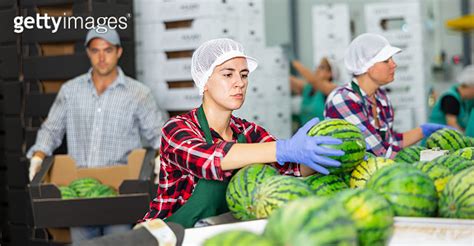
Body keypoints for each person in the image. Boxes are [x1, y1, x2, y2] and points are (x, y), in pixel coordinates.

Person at [142, 38, 345, 228]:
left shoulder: (249, 132)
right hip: (171, 236)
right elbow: (210, 159)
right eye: (228, 74)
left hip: (222, 234)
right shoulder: (177, 128)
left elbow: (291, 168)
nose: (239, 82)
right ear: (204, 81)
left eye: (244, 75)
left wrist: (328, 151)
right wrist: (284, 148)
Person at [26, 27, 168, 242]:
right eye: (95, 50)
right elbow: (52, 129)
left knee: (117, 243)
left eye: (108, 50)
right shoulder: (70, 90)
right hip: (80, 193)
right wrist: (38, 156)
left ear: (118, 52)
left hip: (120, 192)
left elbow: (158, 134)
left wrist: (161, 158)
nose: (102, 57)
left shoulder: (138, 93)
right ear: (88, 52)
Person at [324, 33, 450, 159]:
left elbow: (389, 142)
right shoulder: (342, 99)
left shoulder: (381, 98)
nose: (394, 64)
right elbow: (379, 152)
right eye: (386, 61)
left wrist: (423, 131)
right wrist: (424, 159)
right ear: (368, 66)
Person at [290, 57, 339, 124]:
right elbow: (289, 80)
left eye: (322, 67)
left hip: (324, 134)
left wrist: (294, 62)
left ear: (330, 73)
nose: (317, 69)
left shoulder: (332, 89)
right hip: (305, 133)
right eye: (318, 66)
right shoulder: (308, 88)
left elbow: (313, 80)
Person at [429, 65, 474, 131]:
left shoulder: (465, 101)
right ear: (467, 86)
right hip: (437, 139)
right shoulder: (450, 99)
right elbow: (452, 125)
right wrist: (466, 139)